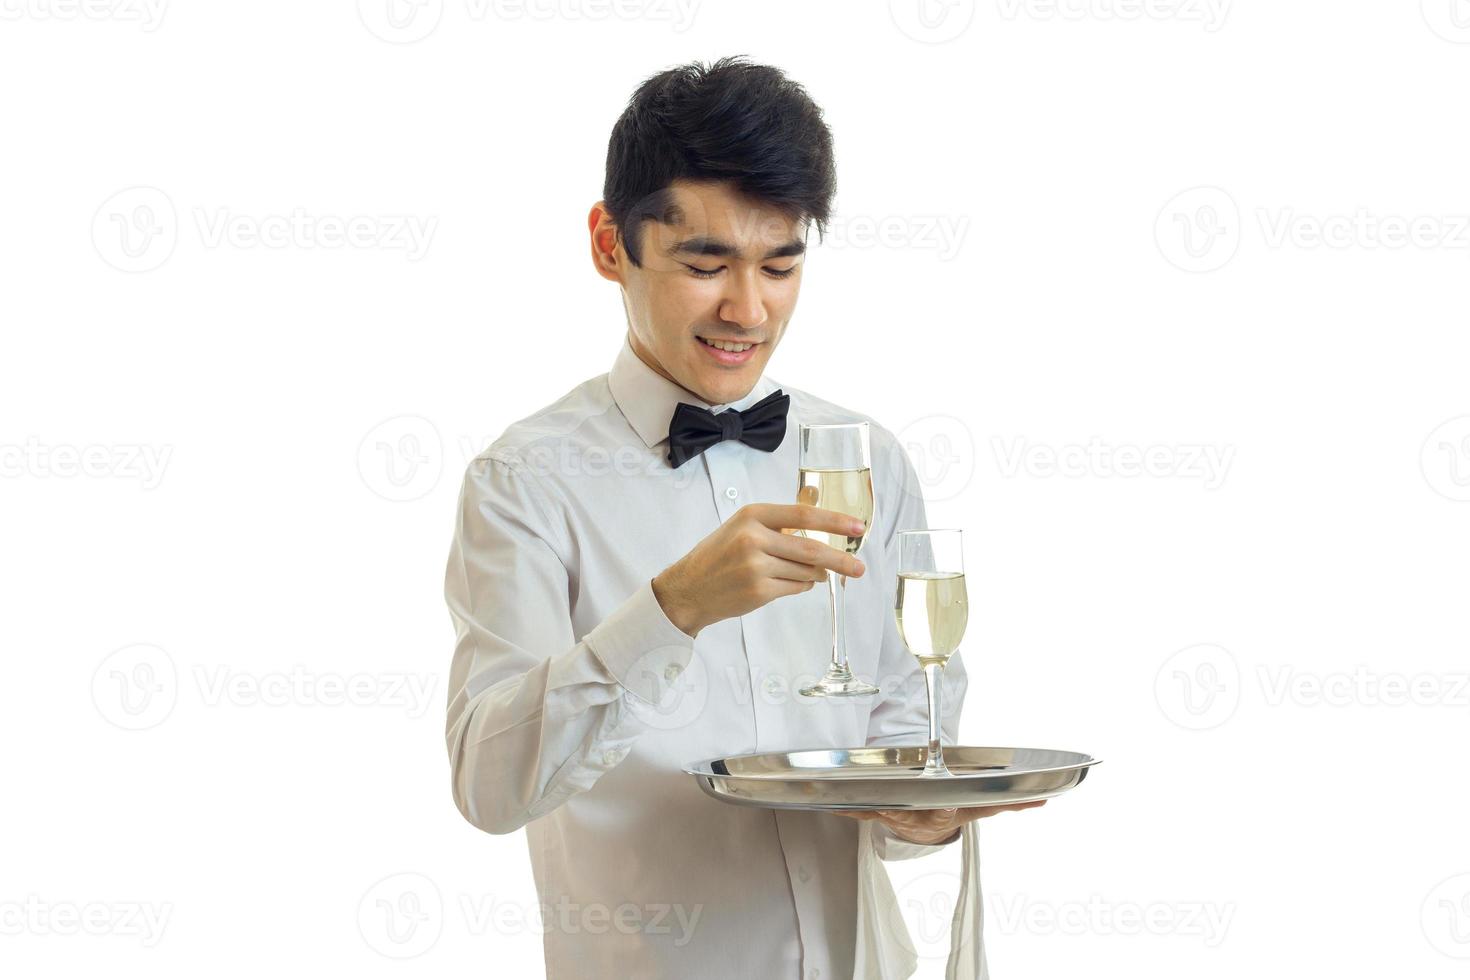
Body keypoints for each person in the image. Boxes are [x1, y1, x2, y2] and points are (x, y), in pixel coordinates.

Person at [444, 56, 1041, 980]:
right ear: (611, 245)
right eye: (707, 263)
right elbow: (488, 786)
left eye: (780, 266)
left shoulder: (863, 455)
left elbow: (901, 734)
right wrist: (670, 610)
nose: (747, 309)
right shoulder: (524, 480)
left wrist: (920, 816)